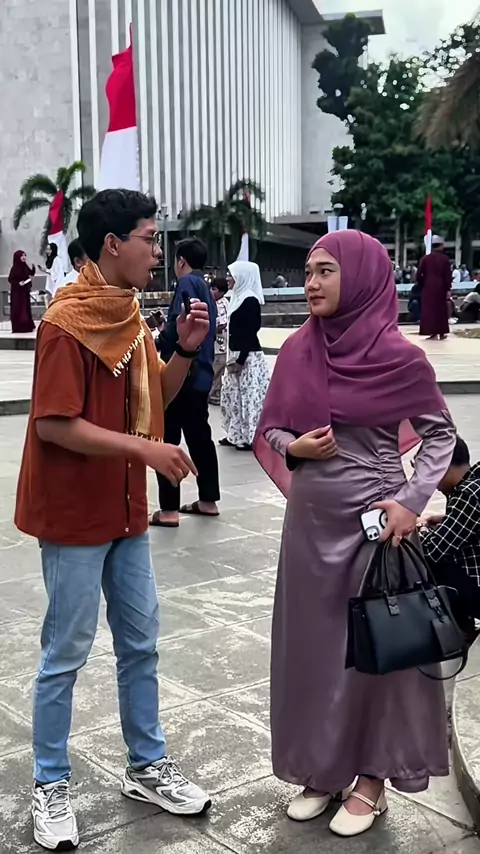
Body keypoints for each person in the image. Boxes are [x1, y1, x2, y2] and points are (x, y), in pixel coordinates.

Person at [14, 189, 212, 851]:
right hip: (75, 512)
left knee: (141, 642)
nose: (156, 251)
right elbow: (54, 424)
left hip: (125, 511)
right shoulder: (66, 323)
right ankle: (50, 782)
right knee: (66, 652)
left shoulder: (126, 315)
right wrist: (145, 450)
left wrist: (184, 351)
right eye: (149, 238)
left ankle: (146, 766)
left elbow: (159, 397)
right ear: (112, 243)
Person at [254, 230, 456, 838]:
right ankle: (323, 767)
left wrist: (410, 502)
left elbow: (440, 435)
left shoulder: (400, 357)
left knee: (375, 649)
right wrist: (296, 448)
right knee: (314, 650)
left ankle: (372, 778)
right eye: (308, 271)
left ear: (362, 277)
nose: (311, 283)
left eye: (325, 271)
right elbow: (271, 429)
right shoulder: (298, 350)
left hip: (375, 526)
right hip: (310, 528)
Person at [149, 237, 220, 527]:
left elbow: (181, 326)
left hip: (183, 372)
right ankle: (208, 499)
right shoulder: (205, 286)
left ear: (181, 261)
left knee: (168, 438)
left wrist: (159, 339)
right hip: (201, 373)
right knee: (200, 437)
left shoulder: (186, 283)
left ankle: (169, 509)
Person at [418, 436, 480, 632]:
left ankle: (455, 630)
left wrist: (419, 528)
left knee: (423, 564)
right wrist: (446, 519)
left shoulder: (468, 494)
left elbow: (431, 550)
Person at [220, 261, 270, 451]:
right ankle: (235, 434)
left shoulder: (250, 300)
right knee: (233, 396)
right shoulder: (237, 297)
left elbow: (250, 332)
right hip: (236, 354)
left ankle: (250, 437)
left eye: (231, 274)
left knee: (249, 398)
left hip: (248, 356)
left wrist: (241, 359)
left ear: (241, 276)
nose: (228, 278)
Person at [417, 236, 452, 340]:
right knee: (441, 310)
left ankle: (431, 332)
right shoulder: (444, 259)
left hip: (428, 287)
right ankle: (441, 332)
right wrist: (448, 288)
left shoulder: (425, 259)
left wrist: (423, 283)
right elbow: (447, 275)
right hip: (441, 287)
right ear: (440, 246)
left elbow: (419, 274)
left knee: (430, 310)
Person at [209, 277, 229, 405]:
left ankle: (214, 395)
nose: (211, 291)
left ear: (221, 292)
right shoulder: (218, 302)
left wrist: (210, 328)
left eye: (214, 289)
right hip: (218, 344)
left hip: (220, 345)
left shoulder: (221, 304)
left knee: (216, 371)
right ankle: (214, 394)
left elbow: (221, 324)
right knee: (216, 370)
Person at [8, 250, 35, 333]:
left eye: (24, 255)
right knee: (19, 309)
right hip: (17, 294)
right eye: (22, 256)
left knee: (25, 309)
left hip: (24, 292)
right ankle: (19, 327)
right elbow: (11, 279)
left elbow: (31, 273)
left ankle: (27, 326)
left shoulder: (25, 266)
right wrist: (18, 283)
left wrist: (33, 267)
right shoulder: (14, 268)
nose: (24, 257)